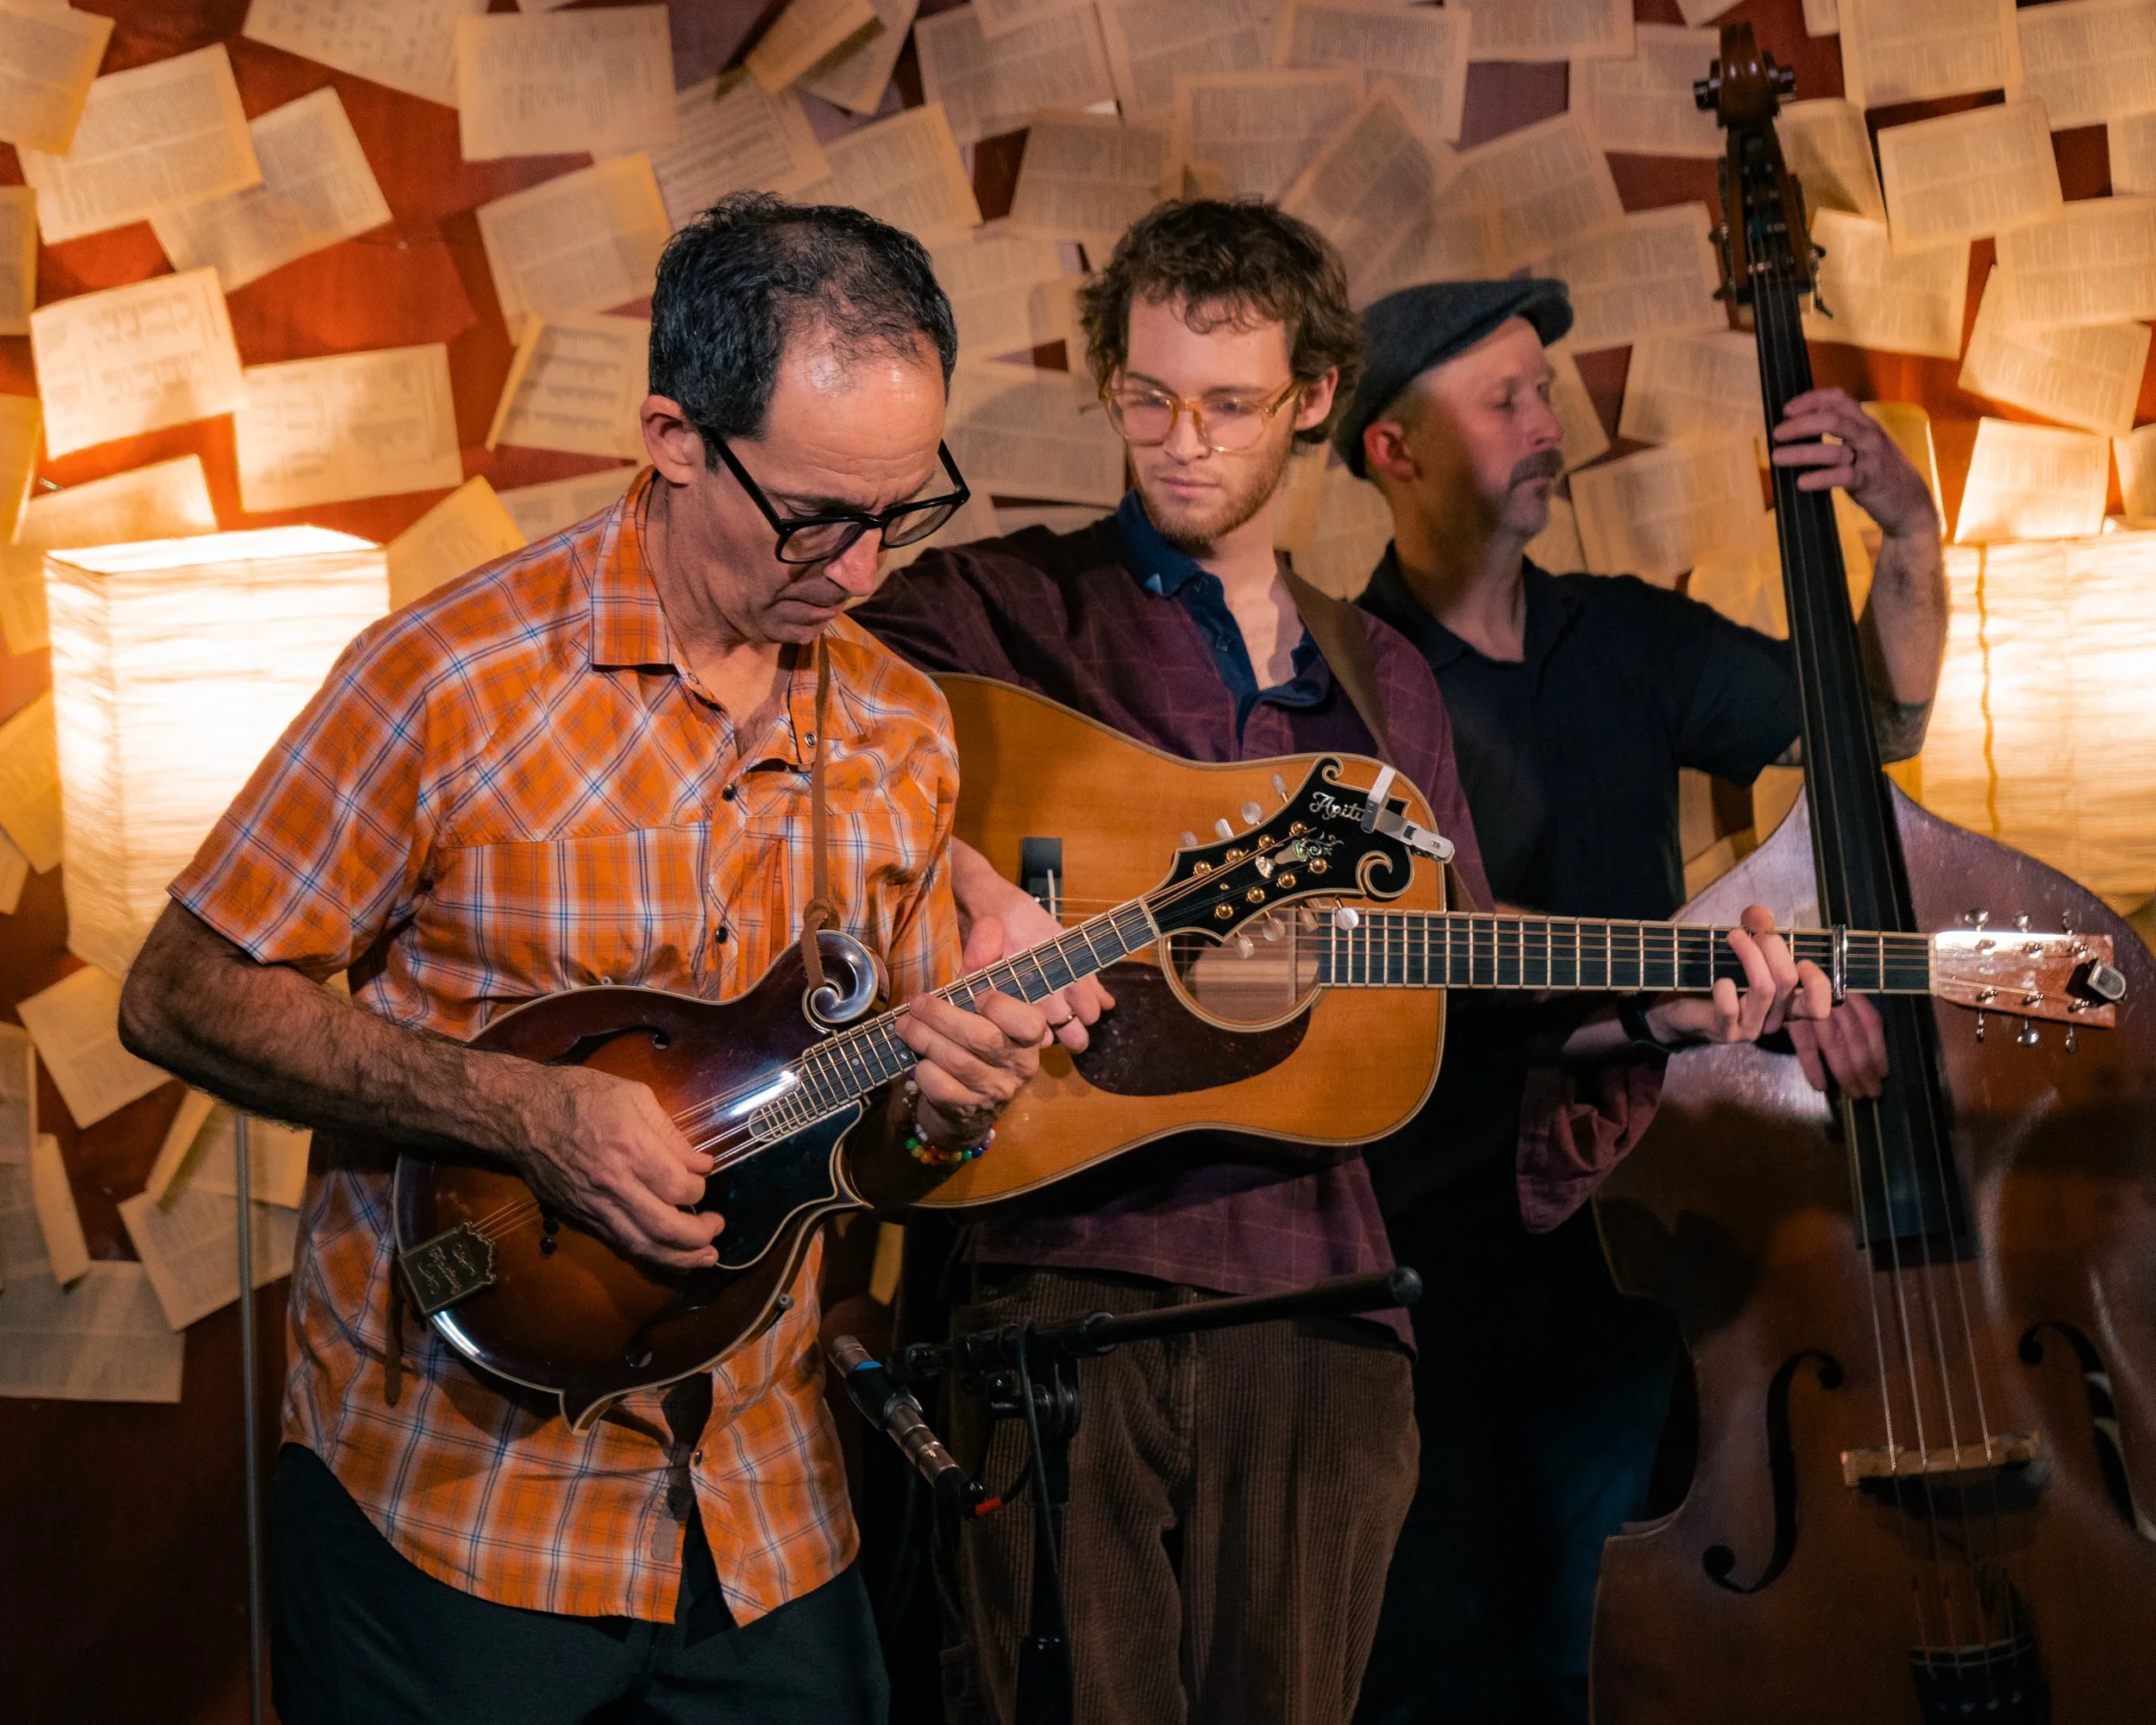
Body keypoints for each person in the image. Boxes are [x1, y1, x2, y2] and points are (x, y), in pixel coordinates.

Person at [854, 201, 1830, 1725]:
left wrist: (1669, 999)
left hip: (1323, 1312)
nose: (1181, 443)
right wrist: (972, 887)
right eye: (1148, 398)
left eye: (1229, 405)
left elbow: (1470, 984)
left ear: (1313, 399)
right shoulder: (991, 613)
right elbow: (794, 734)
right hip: (1055, 1285)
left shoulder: (1380, 685)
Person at [116, 194, 1050, 1725]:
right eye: (817, 516)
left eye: (906, 510)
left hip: (763, 1507)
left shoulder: (903, 729)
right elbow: (180, 993)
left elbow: (880, 1158)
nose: (864, 570)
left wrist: (951, 1102)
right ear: (675, 437)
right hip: (454, 1503)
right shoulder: (448, 679)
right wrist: (522, 1111)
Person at [1334, 279, 1941, 1725]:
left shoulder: (1623, 636)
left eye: (1545, 392)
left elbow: (1877, 717)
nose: (1550, 426)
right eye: (1505, 401)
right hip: (1431, 1250)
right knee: (1443, 1664)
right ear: (1392, 450)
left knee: (1625, 1657)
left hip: (1646, 1237)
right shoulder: (1343, 682)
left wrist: (1910, 533)